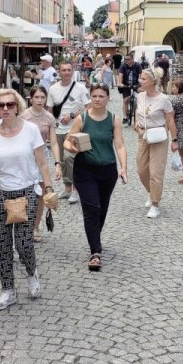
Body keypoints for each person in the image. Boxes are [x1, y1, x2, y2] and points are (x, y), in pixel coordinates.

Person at [0, 88, 52, 311]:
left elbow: (42, 163)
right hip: (0, 193)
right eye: (0, 105)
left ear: (17, 106)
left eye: (10, 104)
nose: (5, 108)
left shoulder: (30, 130)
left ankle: (31, 273)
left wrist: (48, 188)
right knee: (2, 245)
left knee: (23, 242)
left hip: (26, 191)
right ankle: (8, 290)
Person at [65, 84, 128, 271]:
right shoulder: (82, 118)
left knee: (101, 208)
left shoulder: (114, 120)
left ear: (108, 98)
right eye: (94, 96)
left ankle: (94, 237)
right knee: (91, 208)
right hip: (84, 170)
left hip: (107, 170)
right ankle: (95, 251)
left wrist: (124, 167)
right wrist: (72, 147)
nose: (97, 99)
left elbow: (120, 145)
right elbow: (68, 141)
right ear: (90, 98)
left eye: (101, 96)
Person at [20, 86, 62, 243]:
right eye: (36, 97)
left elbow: (54, 142)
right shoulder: (24, 116)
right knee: (24, 192)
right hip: (26, 157)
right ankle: (22, 223)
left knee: (41, 194)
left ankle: (35, 227)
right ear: (31, 99)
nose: (39, 100)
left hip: (42, 157)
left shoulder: (49, 117)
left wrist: (57, 163)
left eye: (42, 97)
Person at [134, 68, 179, 219]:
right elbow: (138, 112)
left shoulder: (163, 99)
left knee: (155, 172)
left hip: (159, 137)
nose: (140, 81)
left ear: (153, 81)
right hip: (143, 136)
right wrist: (136, 123)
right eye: (140, 78)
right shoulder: (140, 96)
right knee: (141, 170)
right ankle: (151, 192)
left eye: (144, 79)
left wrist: (175, 140)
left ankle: (155, 204)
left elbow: (170, 120)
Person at [47, 61, 89, 204]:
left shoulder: (80, 88)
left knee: (71, 158)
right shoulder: (53, 89)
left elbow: (88, 107)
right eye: (63, 70)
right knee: (62, 160)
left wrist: (72, 115)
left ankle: (76, 189)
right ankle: (67, 188)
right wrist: (50, 128)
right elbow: (50, 110)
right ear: (59, 72)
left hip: (74, 129)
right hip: (58, 129)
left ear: (72, 71)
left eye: (69, 70)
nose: (66, 72)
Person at [117, 52, 143, 123]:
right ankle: (125, 116)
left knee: (141, 95)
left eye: (128, 59)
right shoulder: (123, 65)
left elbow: (141, 75)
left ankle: (140, 113)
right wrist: (120, 83)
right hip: (126, 85)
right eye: (125, 59)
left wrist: (141, 83)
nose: (126, 60)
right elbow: (120, 75)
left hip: (136, 84)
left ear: (132, 59)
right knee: (125, 100)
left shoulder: (137, 65)